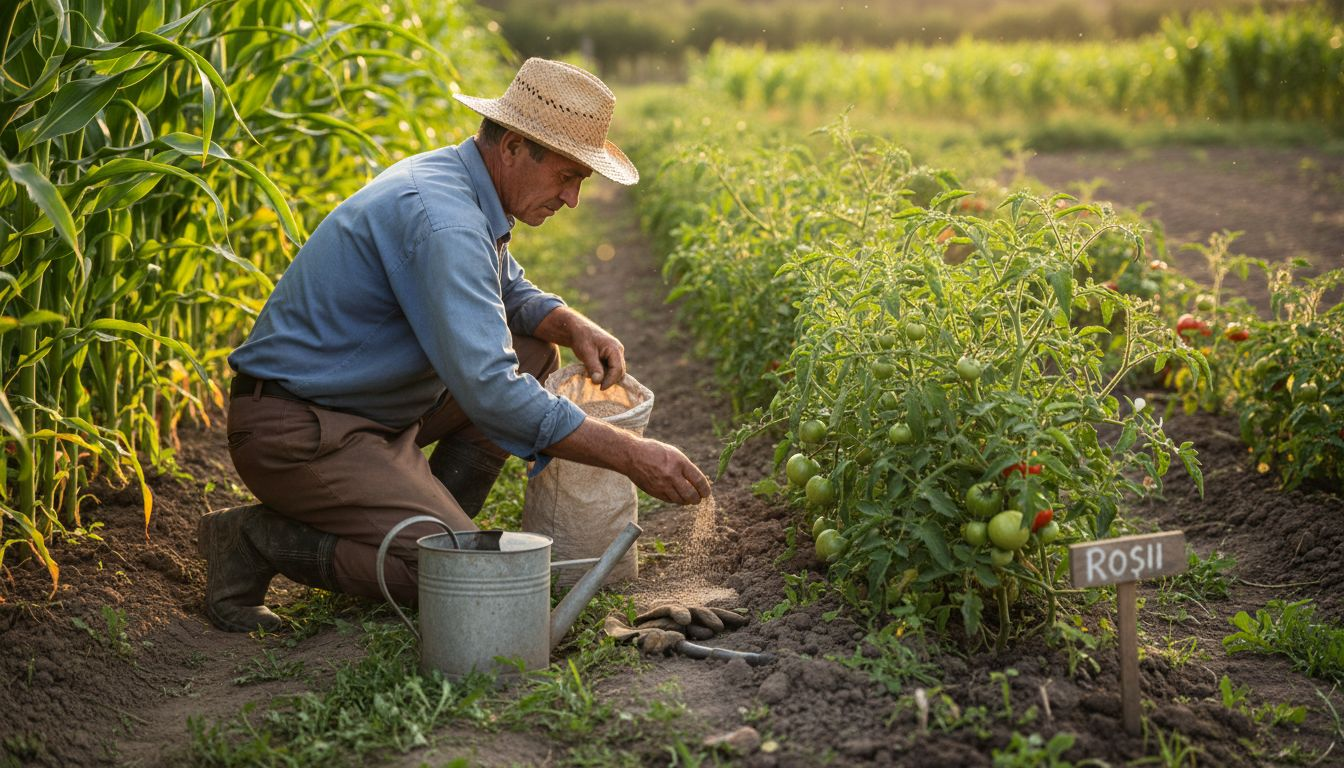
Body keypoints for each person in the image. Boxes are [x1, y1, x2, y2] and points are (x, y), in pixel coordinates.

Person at [200, 58, 712, 633]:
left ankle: (417, 516)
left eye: (580, 182)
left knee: (535, 351)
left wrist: (570, 324)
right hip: (302, 433)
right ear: (516, 146)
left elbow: (508, 287)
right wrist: (629, 453)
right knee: (463, 579)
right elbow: (492, 392)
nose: (571, 199)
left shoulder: (462, 183)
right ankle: (256, 541)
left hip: (365, 410)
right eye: (567, 176)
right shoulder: (444, 220)